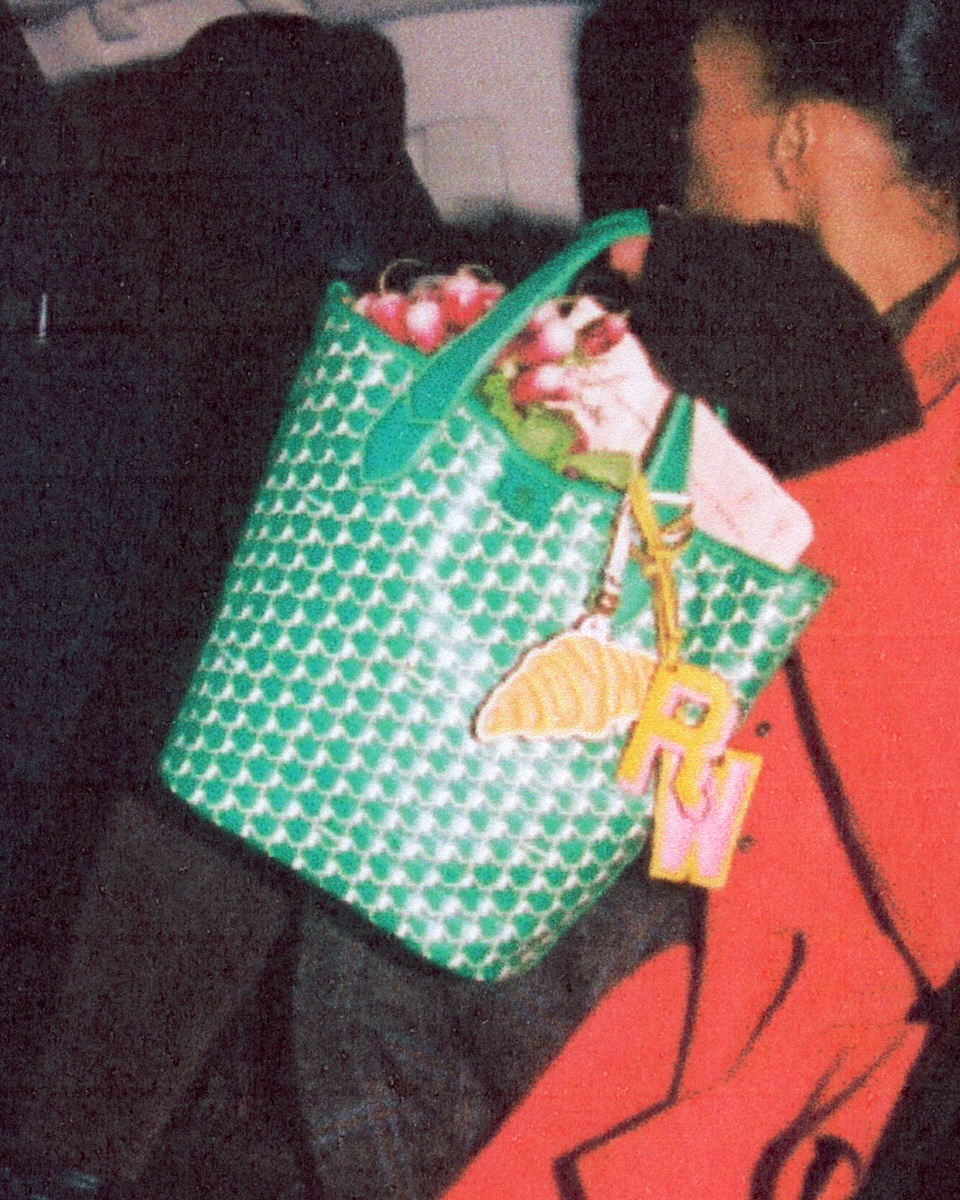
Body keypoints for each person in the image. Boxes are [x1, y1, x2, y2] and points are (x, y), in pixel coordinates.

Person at [437, 0, 960, 1196]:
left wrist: (843, 436)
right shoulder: (795, 354)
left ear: (797, 146)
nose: (678, 167)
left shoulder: (840, 384)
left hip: (860, 1070)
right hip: (727, 936)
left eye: (694, 117)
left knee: (376, 969)